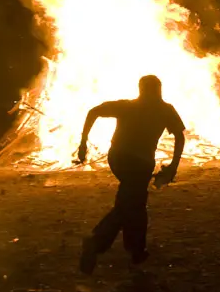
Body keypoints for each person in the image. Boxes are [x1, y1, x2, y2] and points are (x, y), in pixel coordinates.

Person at [77, 75, 186, 275]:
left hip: (118, 159)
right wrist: (173, 166)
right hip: (138, 162)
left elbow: (94, 111)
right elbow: (179, 136)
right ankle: (96, 242)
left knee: (134, 201)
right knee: (130, 203)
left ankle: (136, 250)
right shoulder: (164, 109)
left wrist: (83, 143)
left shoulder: (128, 106)